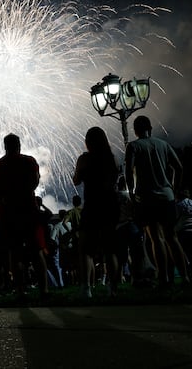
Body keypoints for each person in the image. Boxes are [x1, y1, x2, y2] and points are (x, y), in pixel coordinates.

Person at [124, 115, 189, 289]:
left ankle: (163, 278)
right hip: (167, 196)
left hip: (146, 198)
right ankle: (185, 277)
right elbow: (179, 167)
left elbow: (128, 173)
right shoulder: (163, 144)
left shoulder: (134, 146)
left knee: (156, 239)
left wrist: (131, 192)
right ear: (150, 128)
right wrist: (174, 188)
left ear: (136, 130)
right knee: (172, 237)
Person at [0, 133, 50, 302]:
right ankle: (44, 290)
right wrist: (24, 192)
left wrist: (2, 197)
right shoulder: (29, 161)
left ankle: (20, 290)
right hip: (28, 210)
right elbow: (35, 182)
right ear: (19, 145)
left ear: (5, 146)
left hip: (8, 213)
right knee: (36, 251)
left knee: (15, 252)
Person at [72, 126, 121, 298]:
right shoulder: (111, 158)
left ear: (88, 142)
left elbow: (76, 180)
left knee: (85, 249)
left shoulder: (85, 159)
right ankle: (113, 289)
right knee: (110, 249)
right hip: (109, 204)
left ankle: (86, 288)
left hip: (92, 205)